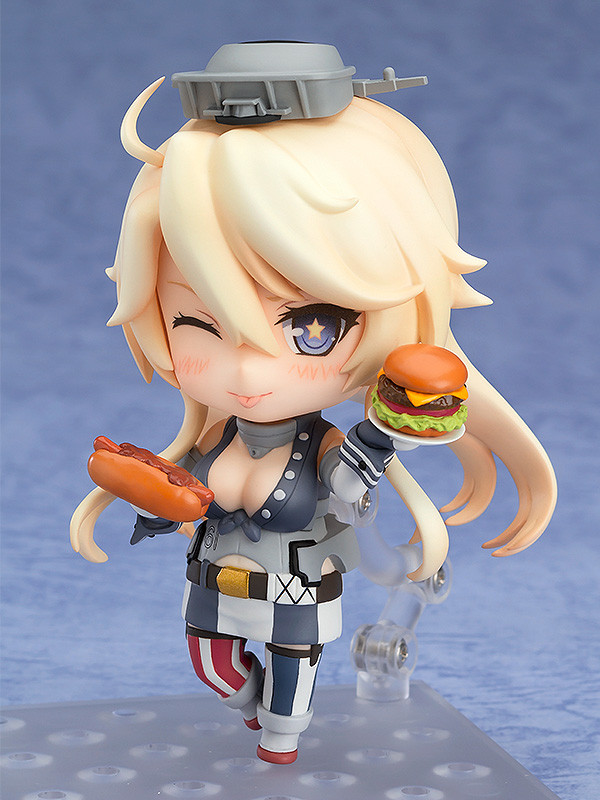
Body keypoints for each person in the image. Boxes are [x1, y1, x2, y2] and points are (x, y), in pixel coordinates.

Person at [70, 61, 556, 763]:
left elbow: (354, 483)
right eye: (197, 323)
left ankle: (280, 742)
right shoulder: (217, 436)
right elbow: (180, 493)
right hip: (213, 580)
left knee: (287, 698)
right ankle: (252, 712)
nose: (248, 371)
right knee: (213, 666)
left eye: (311, 329)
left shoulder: (322, 446)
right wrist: (156, 503)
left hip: (297, 587)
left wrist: (383, 437)